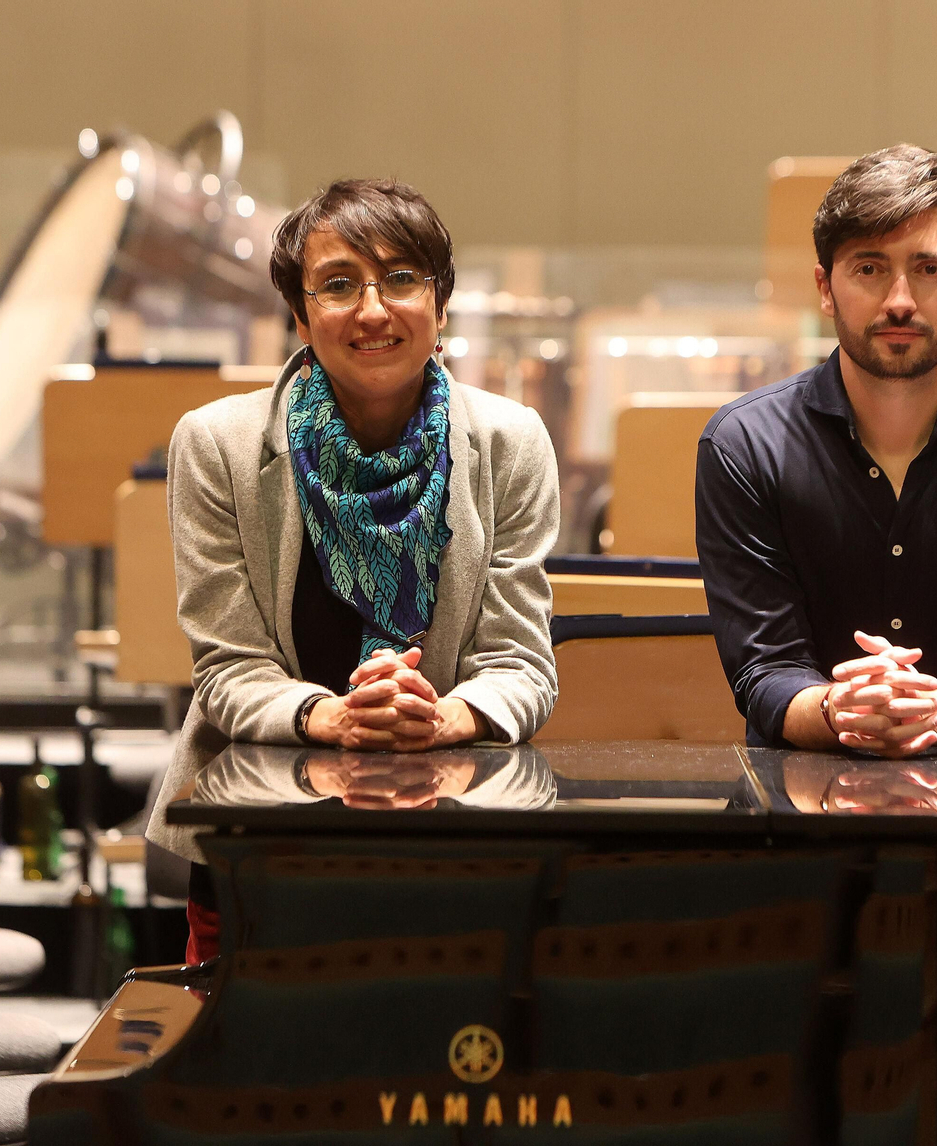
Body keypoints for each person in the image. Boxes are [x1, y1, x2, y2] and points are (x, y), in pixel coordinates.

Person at [146, 178, 559, 961]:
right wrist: (331, 718)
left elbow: (520, 664)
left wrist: (440, 719)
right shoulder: (216, 445)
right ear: (300, 317)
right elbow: (228, 668)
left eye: (401, 278)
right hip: (258, 842)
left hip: (455, 841)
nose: (373, 309)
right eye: (339, 285)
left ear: (440, 306)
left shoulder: (513, 441)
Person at [696, 144, 937, 756]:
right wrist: (841, 710)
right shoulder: (743, 445)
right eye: (869, 269)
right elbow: (765, 672)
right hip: (799, 823)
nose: (900, 300)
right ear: (826, 288)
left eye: (929, 269)